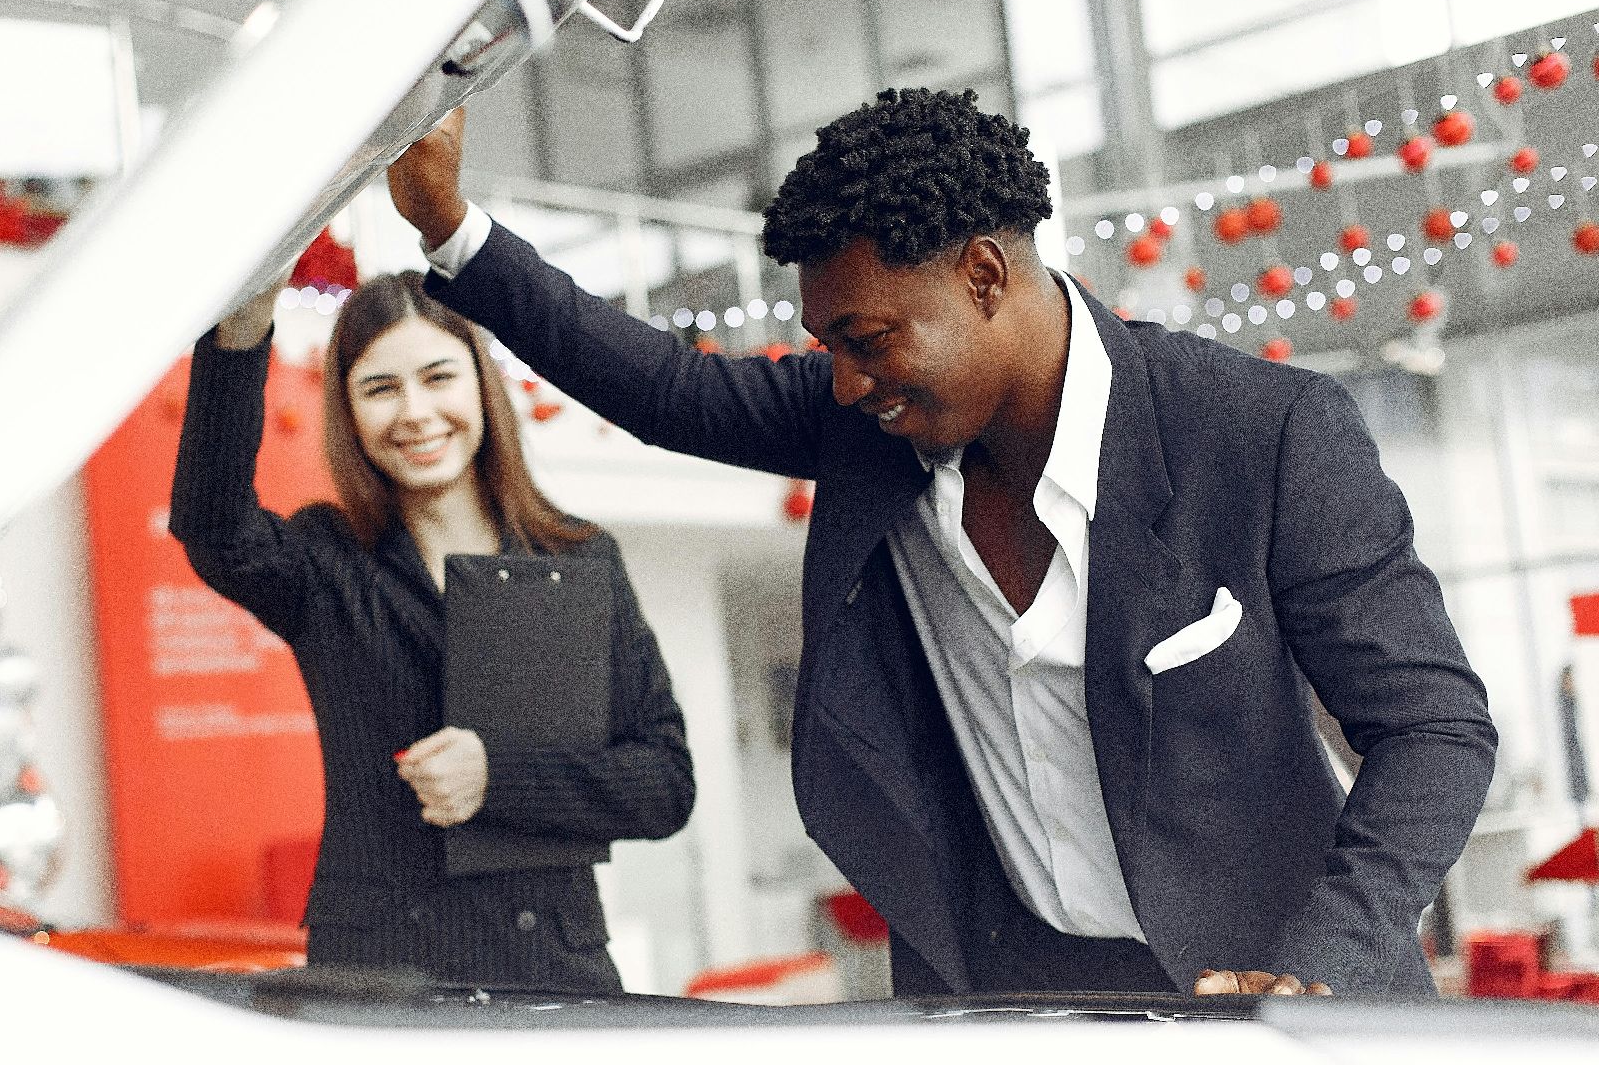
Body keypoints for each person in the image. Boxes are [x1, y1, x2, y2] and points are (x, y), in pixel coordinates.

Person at [385, 90, 1497, 997]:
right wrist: (447, 222)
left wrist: (1318, 970)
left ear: (982, 275)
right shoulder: (870, 429)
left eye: (867, 339)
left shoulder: (1265, 433)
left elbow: (1434, 727)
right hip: (1013, 996)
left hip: (1271, 997)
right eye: (827, 345)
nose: (846, 379)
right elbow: (665, 386)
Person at [169, 271, 695, 992]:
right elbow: (213, 529)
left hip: (553, 972)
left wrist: (499, 780)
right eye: (380, 388)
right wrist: (242, 330)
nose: (415, 412)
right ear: (348, 414)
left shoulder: (576, 557)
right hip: (384, 978)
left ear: (480, 385)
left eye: (437, 377)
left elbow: (665, 784)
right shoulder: (327, 560)